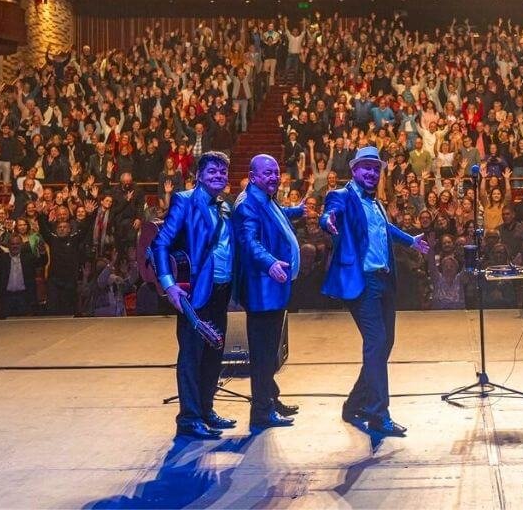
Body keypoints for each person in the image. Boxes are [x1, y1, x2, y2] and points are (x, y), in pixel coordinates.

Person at [320, 145, 430, 437]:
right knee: (376, 341)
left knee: (384, 344)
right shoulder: (343, 195)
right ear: (354, 170)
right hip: (363, 282)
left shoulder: (377, 203)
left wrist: (411, 240)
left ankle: (354, 403)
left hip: (384, 279)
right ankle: (378, 414)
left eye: (375, 168)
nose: (371, 172)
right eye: (365, 167)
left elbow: (385, 227)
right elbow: (329, 213)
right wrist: (328, 222)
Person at [149, 151, 239, 440]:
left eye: (223, 172)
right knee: (191, 355)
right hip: (194, 291)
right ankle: (189, 417)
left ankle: (206, 409)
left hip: (221, 289)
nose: (218, 176)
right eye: (212, 171)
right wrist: (168, 284)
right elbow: (160, 244)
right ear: (199, 175)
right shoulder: (185, 200)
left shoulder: (226, 206)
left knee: (214, 350)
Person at [234, 154, 304, 429]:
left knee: (271, 352)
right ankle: (262, 412)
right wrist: (271, 262)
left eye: (276, 172)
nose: (274, 177)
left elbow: (274, 218)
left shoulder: (265, 198)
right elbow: (249, 243)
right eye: (268, 173)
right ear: (253, 176)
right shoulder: (247, 205)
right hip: (262, 292)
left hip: (274, 289)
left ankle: (270, 398)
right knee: (263, 354)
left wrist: (295, 212)